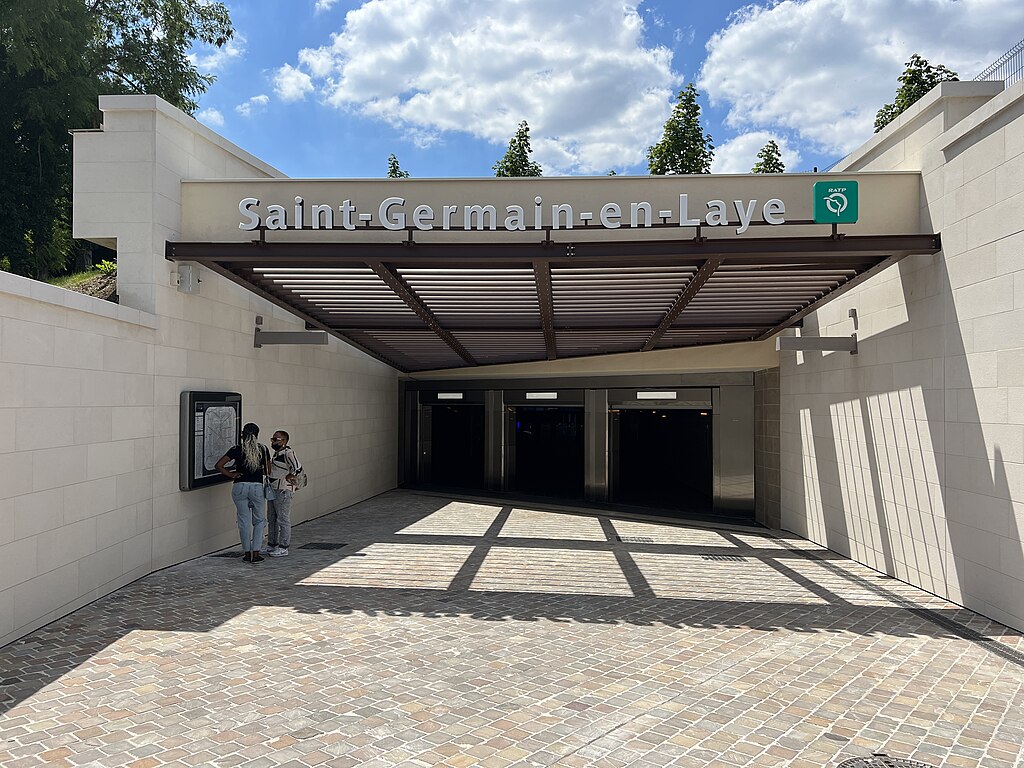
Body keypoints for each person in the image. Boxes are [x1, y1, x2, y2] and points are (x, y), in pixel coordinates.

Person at [215, 422, 271, 563]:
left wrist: (231, 474)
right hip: (257, 487)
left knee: (243, 520)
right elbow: (268, 471)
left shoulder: (236, 449)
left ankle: (246, 553)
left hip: (239, 486)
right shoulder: (263, 449)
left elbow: (219, 465)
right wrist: (257, 471)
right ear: (257, 435)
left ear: (242, 434)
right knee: (259, 521)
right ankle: (256, 553)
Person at [266, 430, 301, 557]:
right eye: (273, 439)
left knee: (283, 519)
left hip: (283, 490)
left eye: (276, 439)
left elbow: (297, 468)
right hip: (274, 489)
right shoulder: (277, 453)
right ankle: (272, 544)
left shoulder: (288, 453)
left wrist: (289, 478)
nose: (274, 441)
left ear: (284, 441)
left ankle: (283, 546)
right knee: (272, 517)